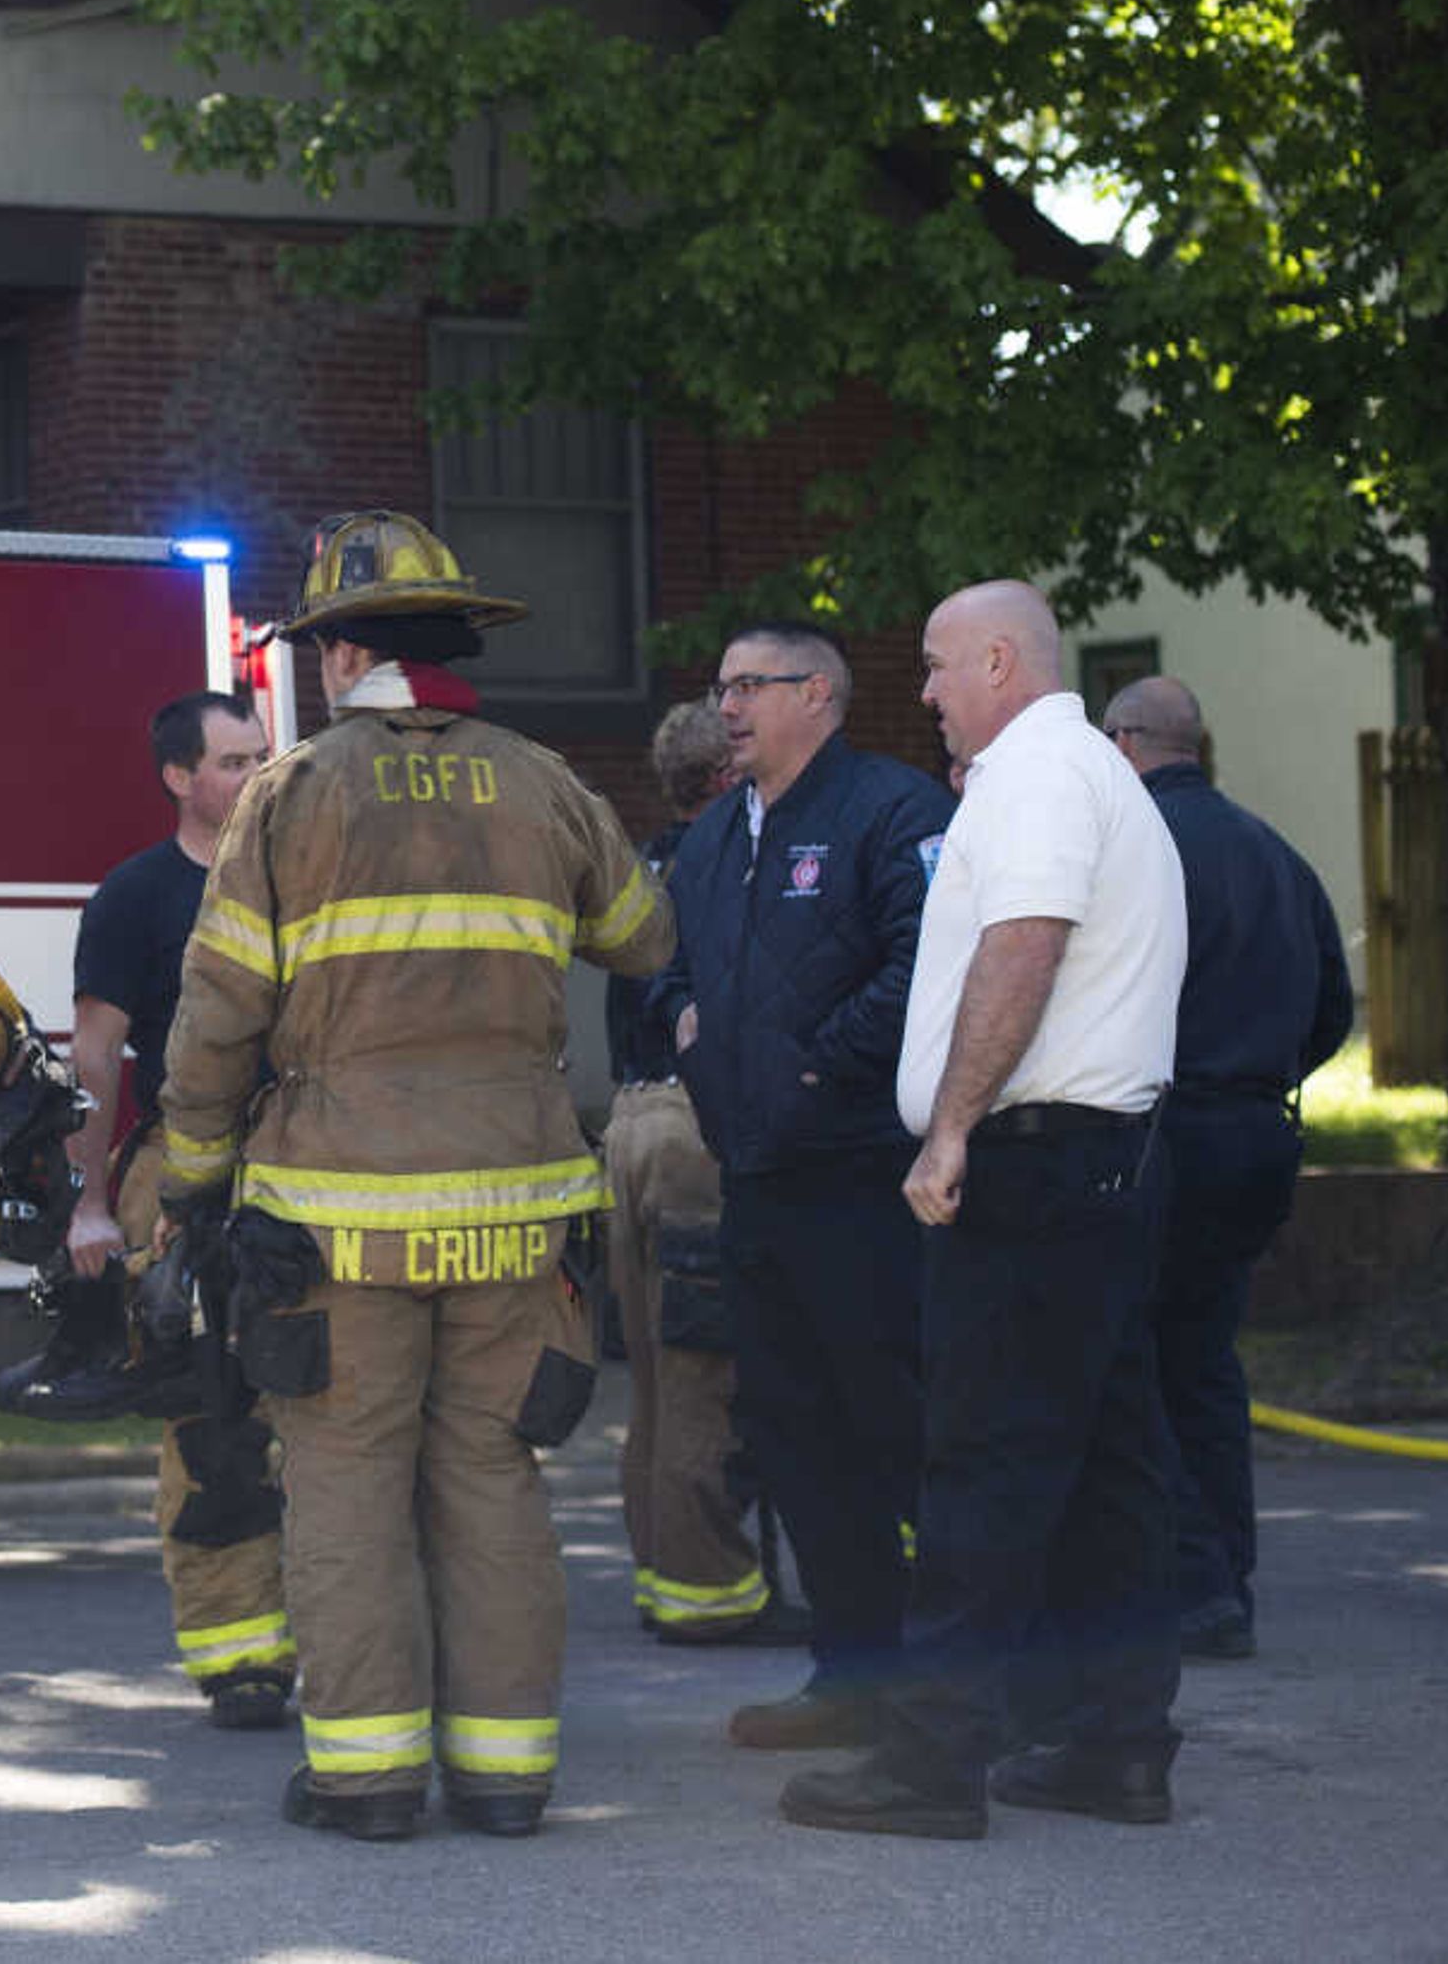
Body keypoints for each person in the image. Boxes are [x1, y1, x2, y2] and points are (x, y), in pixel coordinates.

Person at [157, 511, 672, 1842]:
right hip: (515, 1214)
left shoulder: (292, 791)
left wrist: (196, 1174)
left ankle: (369, 1776)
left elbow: (219, 1008)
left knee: (344, 1482)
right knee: (494, 1477)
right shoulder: (544, 779)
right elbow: (640, 931)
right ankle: (506, 1776)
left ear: (337, 658)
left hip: (337, 1222)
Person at [782, 579, 1188, 1841]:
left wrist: (951, 1124)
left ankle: (931, 1762)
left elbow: (1025, 945)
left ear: (1001, 661)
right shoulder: (1089, 773)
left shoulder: (1034, 773)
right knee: (1114, 1471)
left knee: (977, 1466)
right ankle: (1118, 1746)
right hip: (1104, 1166)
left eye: (937, 664)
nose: (926, 691)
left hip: (1032, 1165)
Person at [649, 621, 953, 1748]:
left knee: (894, 1428)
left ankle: (955, 1682)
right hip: (757, 1179)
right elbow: (669, 972)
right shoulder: (718, 833)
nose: (727, 707)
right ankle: (851, 1672)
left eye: (751, 686)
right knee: (790, 1431)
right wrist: (686, 1033)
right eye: (719, 686)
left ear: (817, 693)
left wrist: (823, 1060)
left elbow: (930, 963)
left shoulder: (893, 808)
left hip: (863, 1177)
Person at [42, 689, 295, 1728]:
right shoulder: (136, 897)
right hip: (180, 1181)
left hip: (307, 1166)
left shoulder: (305, 880)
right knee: (212, 1412)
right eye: (232, 761)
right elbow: (95, 1056)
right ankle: (240, 1657)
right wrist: (91, 1205)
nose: (253, 777)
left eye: (262, 757)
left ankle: (353, 1636)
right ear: (179, 778)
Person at [1104, 675, 1356, 1660]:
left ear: (1125, 742)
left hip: (1162, 1134)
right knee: (1204, 1362)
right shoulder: (1274, 852)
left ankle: (1188, 1579)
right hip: (1259, 1133)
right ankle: (1224, 1586)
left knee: (1128, 1358)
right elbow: (1331, 1006)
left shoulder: (1134, 849)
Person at [604, 697, 792, 1645]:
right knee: (704, 1368)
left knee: (649, 1365)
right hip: (694, 1130)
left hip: (629, 1127)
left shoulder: (642, 866)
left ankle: (660, 1568)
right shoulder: (729, 863)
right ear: (724, 777)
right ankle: (709, 1586)